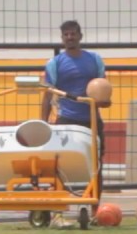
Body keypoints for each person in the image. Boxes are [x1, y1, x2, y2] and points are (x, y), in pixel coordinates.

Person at [41, 20, 109, 222]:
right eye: (66, 35)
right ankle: (58, 212)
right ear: (62, 39)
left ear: (80, 36)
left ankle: (94, 210)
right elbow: (46, 95)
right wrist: (43, 124)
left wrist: (104, 101)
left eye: (73, 34)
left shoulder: (95, 60)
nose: (69, 38)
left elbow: (102, 87)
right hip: (66, 121)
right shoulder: (54, 64)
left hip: (92, 121)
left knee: (96, 165)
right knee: (60, 166)